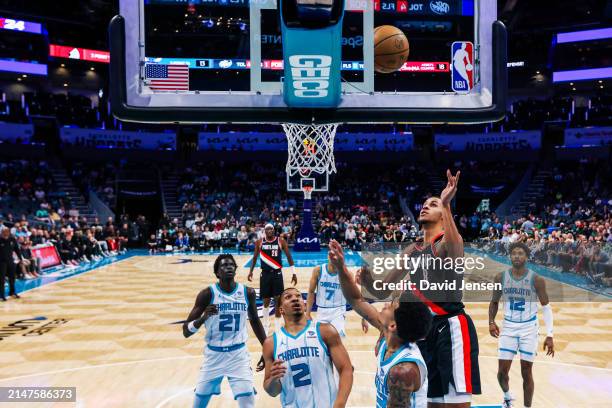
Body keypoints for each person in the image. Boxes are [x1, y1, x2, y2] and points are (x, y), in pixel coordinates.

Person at [359, 170, 481, 407]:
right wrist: (368, 281)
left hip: (451, 328)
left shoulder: (446, 242)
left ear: (444, 214)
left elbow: (456, 251)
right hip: (422, 332)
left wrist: (445, 204)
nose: (425, 207)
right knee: (430, 403)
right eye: (424, 204)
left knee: (455, 405)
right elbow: (383, 290)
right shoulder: (412, 249)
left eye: (432, 205)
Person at [329, 240, 431, 408]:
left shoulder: (403, 371)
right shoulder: (391, 337)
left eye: (391, 305)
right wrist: (341, 267)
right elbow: (356, 300)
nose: (386, 304)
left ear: (392, 325)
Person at [183, 254, 267, 408]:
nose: (228, 267)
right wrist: (203, 318)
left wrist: (267, 348)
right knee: (198, 403)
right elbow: (186, 331)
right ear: (217, 273)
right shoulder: (207, 294)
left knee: (247, 401)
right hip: (213, 355)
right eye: (223, 265)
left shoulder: (247, 293)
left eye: (231, 265)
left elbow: (255, 320)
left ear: (235, 269)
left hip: (238, 355)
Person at [262, 287, 353, 407]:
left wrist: (339, 404)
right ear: (281, 309)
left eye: (298, 296)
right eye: (288, 297)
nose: (295, 299)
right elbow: (273, 392)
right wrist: (273, 380)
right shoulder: (271, 343)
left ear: (304, 306)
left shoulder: (325, 331)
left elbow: (346, 369)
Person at [489, 242, 555, 408]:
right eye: (514, 253)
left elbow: (546, 307)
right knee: (501, 373)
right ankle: (507, 397)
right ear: (510, 256)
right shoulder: (500, 277)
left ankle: (527, 406)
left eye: (520, 253)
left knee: (526, 372)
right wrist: (491, 321)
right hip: (508, 327)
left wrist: (550, 335)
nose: (517, 256)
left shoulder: (537, 279)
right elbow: (494, 302)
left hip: (529, 329)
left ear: (526, 257)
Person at [305, 252, 369, 337]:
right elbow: (311, 292)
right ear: (328, 257)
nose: (334, 259)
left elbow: (356, 297)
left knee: (337, 340)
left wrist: (364, 317)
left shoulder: (347, 274)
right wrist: (307, 313)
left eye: (336, 256)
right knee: (321, 340)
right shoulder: (318, 270)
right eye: (332, 256)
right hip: (321, 311)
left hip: (338, 311)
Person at [248, 223, 297, 333]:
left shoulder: (280, 241)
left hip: (277, 274)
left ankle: (277, 327)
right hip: (265, 274)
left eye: (272, 229)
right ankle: (266, 324)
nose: (270, 230)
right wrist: (250, 271)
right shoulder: (260, 242)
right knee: (265, 301)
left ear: (274, 230)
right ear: (264, 231)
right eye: (268, 229)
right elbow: (255, 258)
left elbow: (289, 257)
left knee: (278, 301)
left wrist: (294, 273)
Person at [0, 228, 22, 301]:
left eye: (6, 232)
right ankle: (2, 295)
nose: (5, 233)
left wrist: (20, 259)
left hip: (10, 261)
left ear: (9, 232)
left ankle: (12, 292)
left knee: (12, 277)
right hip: (1, 262)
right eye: (3, 232)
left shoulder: (12, 239)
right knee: (1, 279)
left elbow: (17, 249)